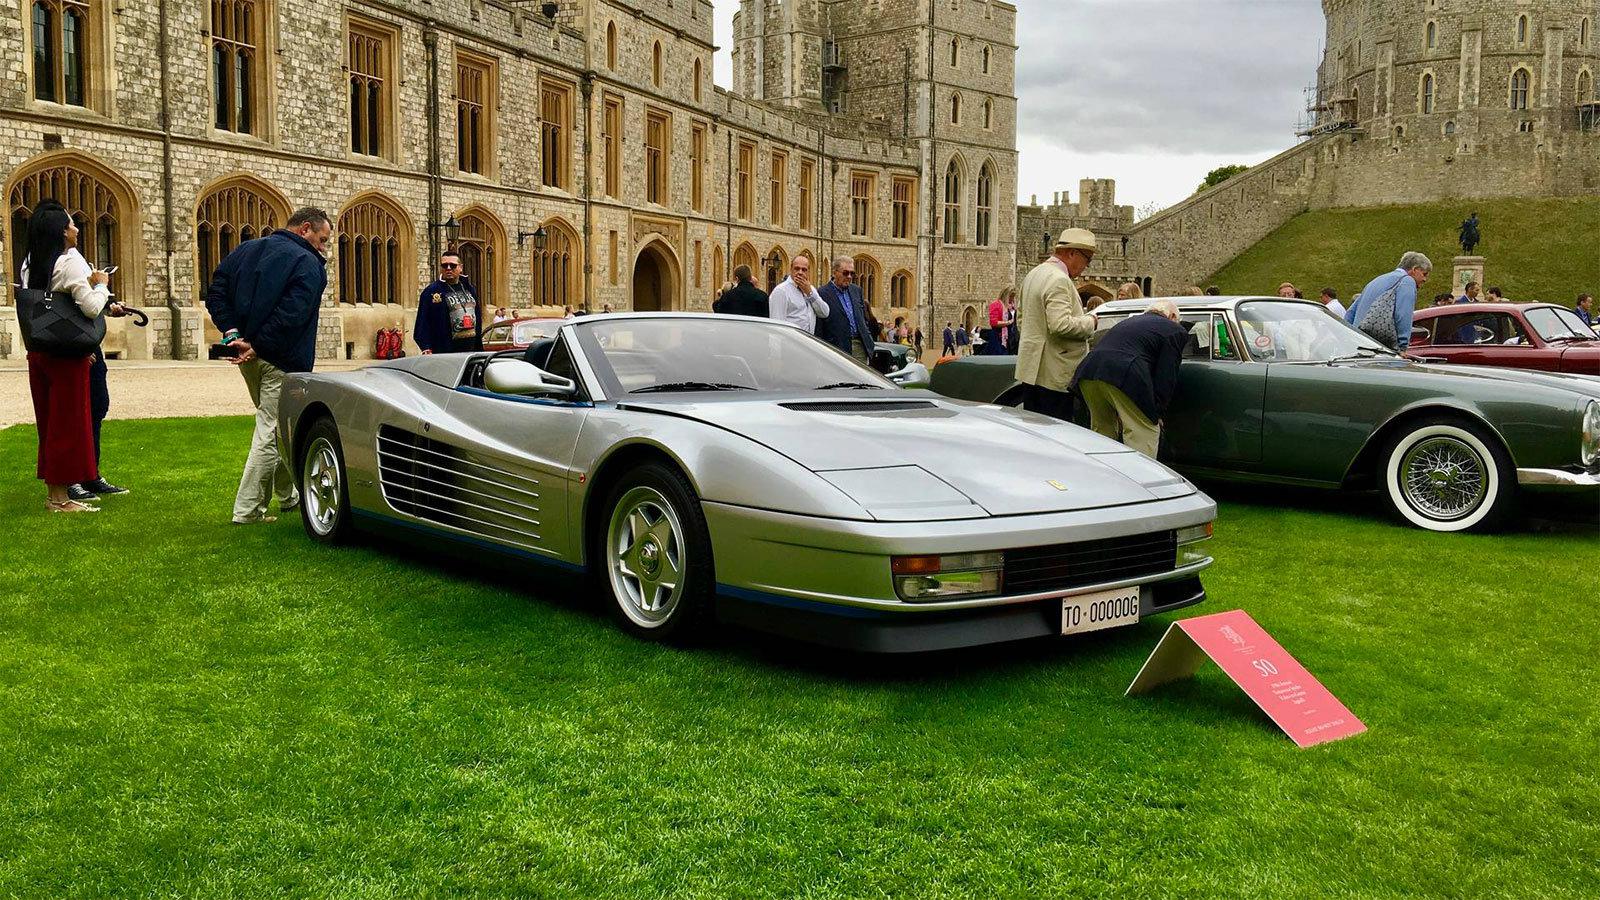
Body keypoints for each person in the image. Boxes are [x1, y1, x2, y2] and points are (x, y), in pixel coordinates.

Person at [204, 207, 333, 525]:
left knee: (279, 429)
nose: (324, 248)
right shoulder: (308, 263)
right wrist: (257, 344)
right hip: (281, 359)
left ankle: (288, 495)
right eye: (322, 239)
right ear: (305, 229)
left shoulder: (247, 249)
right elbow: (293, 313)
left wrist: (233, 332)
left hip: (249, 357)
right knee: (271, 430)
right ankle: (247, 510)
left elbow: (216, 292)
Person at [18, 200, 110, 512]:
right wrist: (102, 286)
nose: (76, 229)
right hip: (67, 359)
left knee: (50, 426)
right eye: (71, 224)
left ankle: (56, 493)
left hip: (40, 352)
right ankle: (59, 500)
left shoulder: (31, 262)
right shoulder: (69, 263)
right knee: (69, 426)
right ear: (61, 231)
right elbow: (91, 308)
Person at [1072, 300, 1189, 459]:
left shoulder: (1127, 322)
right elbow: (1166, 374)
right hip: (1126, 374)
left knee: (1102, 431)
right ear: (1173, 316)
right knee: (1142, 433)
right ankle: (1139, 478)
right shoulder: (1174, 330)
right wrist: (1157, 412)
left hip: (1089, 371)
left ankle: (1104, 474)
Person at [1015, 228, 1098, 421]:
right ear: (1072, 253)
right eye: (1088, 259)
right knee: (1057, 434)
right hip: (1055, 373)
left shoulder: (1033, 274)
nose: (1086, 266)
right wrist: (1090, 322)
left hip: (1031, 370)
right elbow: (1060, 325)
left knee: (1035, 430)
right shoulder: (1059, 280)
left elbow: (1021, 320)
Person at [1345, 251, 1430, 350]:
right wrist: (1402, 346)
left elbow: (1350, 313)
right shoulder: (1407, 281)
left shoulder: (1375, 281)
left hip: (1357, 342)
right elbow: (1403, 315)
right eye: (1424, 274)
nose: (1425, 279)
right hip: (1379, 347)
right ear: (1414, 269)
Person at [413, 251, 482, 354]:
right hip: (444, 352)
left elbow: (478, 317)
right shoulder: (431, 292)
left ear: (460, 267)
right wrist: (425, 347)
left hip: (471, 350)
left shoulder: (469, 289)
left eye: (453, 265)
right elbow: (422, 323)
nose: (448, 268)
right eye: (444, 265)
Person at [814, 255, 875, 363]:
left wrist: (868, 337)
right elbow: (820, 326)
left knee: (860, 378)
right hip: (837, 347)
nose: (849, 276)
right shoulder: (822, 293)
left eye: (852, 273)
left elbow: (862, 318)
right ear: (834, 272)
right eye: (845, 273)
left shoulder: (856, 290)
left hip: (860, 346)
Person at [768, 255, 829, 331]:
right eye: (797, 269)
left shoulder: (811, 289)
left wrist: (810, 293)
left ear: (808, 271)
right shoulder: (781, 291)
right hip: (790, 341)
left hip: (807, 340)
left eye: (804, 270)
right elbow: (777, 324)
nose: (800, 272)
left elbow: (824, 312)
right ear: (791, 269)